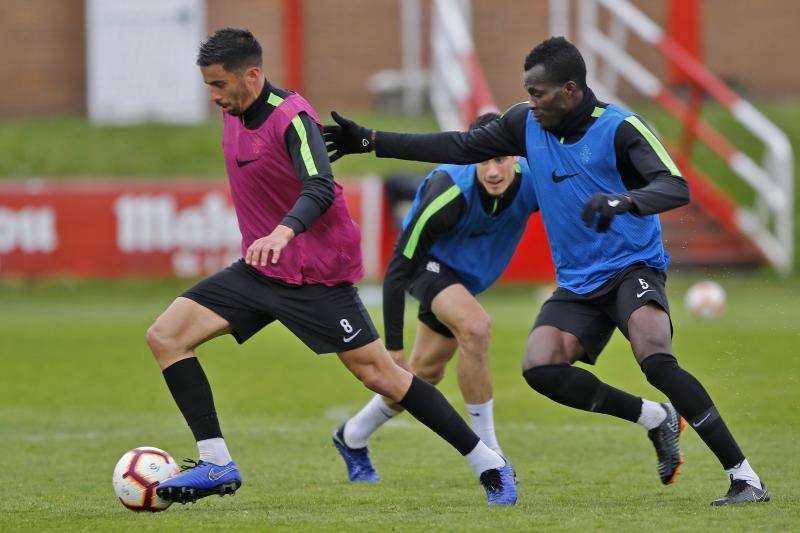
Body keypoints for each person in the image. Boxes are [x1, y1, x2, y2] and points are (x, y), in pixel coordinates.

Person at [323, 36, 768, 506]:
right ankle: (657, 419)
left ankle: (745, 477)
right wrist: (372, 141)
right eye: (528, 92)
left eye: (538, 93)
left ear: (570, 90)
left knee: (654, 357)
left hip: (631, 268)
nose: (530, 102)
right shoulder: (524, 125)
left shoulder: (620, 127)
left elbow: (674, 186)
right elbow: (458, 145)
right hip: (577, 283)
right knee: (541, 369)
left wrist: (623, 201)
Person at [148, 28, 517, 506]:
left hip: (315, 275)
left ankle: (489, 463)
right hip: (260, 270)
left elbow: (320, 187)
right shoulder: (235, 111)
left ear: (252, 76)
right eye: (209, 86)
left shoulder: (294, 118)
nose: (214, 97)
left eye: (219, 85)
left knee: (385, 377)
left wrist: (283, 232)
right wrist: (271, 242)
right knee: (166, 336)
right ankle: (216, 462)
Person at [334, 112, 536, 482]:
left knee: (423, 376)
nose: (492, 171)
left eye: (501, 159)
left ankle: (352, 435)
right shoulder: (447, 191)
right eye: (483, 159)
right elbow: (397, 269)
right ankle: (492, 454)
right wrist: (393, 348)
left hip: (464, 280)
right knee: (476, 328)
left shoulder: (533, 182)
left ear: (517, 158)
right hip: (424, 268)